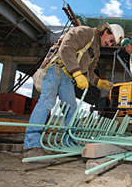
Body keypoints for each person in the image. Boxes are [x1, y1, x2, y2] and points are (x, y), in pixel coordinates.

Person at [23, 23, 124, 158]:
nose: (110, 44)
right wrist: (77, 73)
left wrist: (98, 82)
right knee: (47, 102)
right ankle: (31, 146)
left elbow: (89, 72)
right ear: (106, 31)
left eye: (113, 44)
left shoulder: (97, 50)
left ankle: (68, 143)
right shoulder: (85, 32)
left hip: (68, 77)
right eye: (111, 40)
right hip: (56, 69)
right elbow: (66, 48)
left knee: (71, 109)